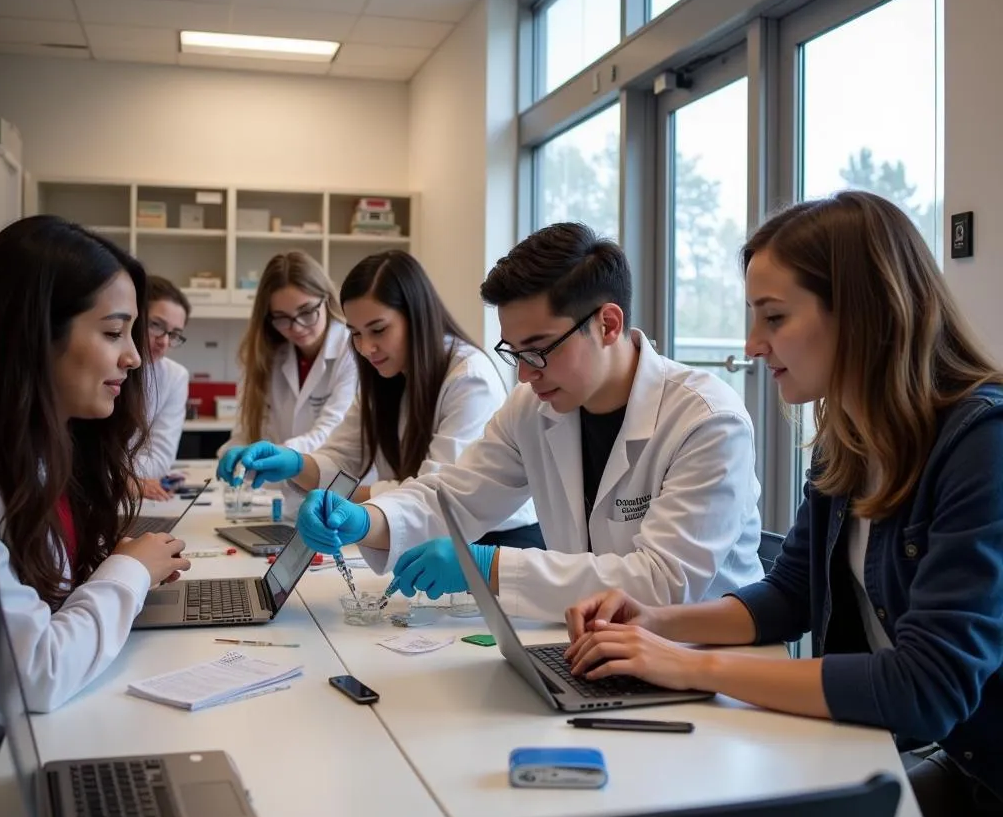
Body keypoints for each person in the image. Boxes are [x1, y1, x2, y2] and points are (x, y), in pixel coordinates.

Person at [564, 192, 1003, 817]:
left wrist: (688, 665)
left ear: (863, 312)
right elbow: (790, 594)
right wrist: (659, 622)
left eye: (774, 317)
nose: (754, 342)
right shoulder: (851, 436)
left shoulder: (982, 445)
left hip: (976, 766)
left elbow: (930, 688)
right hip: (974, 770)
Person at [285, 222, 763, 621]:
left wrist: (488, 566)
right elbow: (453, 495)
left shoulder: (705, 421)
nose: (525, 372)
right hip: (598, 647)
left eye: (539, 349)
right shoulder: (532, 408)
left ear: (608, 324)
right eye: (513, 352)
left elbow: (662, 583)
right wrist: (364, 518)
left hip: (707, 671)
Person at [0, 216, 191, 779]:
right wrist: (126, 574)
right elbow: (36, 674)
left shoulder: (43, 452)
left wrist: (115, 571)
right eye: (112, 332)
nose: (136, 357)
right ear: (33, 333)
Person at [219, 250, 540, 547]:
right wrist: (295, 464)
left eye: (378, 330)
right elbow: (342, 455)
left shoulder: (468, 377)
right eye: (356, 333)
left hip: (493, 544)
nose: (366, 347)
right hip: (424, 533)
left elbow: (436, 491)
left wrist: (350, 503)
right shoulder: (386, 376)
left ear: (415, 316)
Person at [220, 251, 357, 458]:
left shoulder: (351, 349)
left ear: (326, 300)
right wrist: (234, 453)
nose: (297, 327)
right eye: (282, 318)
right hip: (277, 486)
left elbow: (332, 432)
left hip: (336, 484)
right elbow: (247, 431)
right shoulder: (268, 354)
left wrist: (279, 455)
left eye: (306, 312)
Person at [132, 276, 190, 501]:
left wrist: (118, 477)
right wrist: (123, 479)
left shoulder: (174, 376)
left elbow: (160, 460)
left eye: (174, 334)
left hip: (141, 496)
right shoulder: (100, 368)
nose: (164, 342)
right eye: (156, 325)